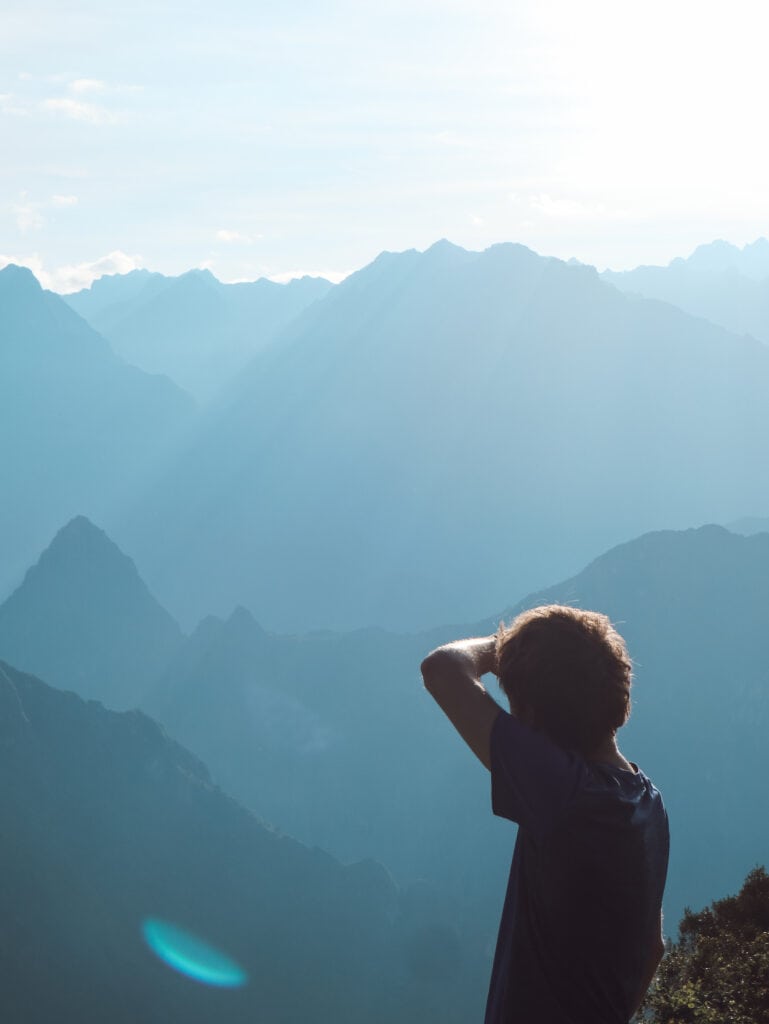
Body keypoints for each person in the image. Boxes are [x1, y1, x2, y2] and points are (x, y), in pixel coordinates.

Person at [421, 604, 669, 1024]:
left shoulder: (565, 792)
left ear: (532, 717)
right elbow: (654, 949)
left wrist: (503, 649)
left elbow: (442, 668)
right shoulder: (648, 801)